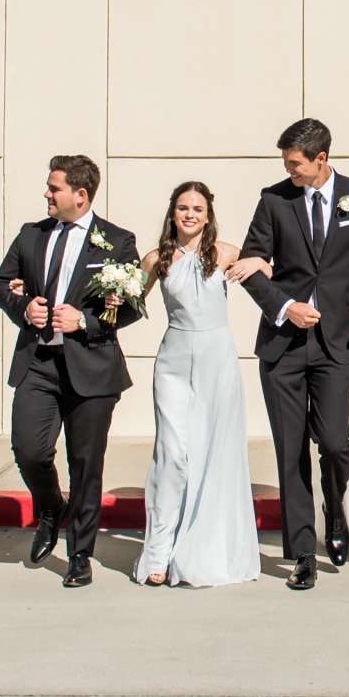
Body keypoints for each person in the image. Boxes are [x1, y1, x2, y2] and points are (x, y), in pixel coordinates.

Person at [227, 119, 349, 592]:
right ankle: (302, 553)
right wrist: (284, 306)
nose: (289, 171)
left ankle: (333, 512)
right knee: (290, 449)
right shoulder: (274, 199)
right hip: (282, 346)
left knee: (336, 444)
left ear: (321, 159)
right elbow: (251, 266)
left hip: (336, 344)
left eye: (295, 164)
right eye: (286, 164)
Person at [0, 154, 141, 587]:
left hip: (92, 367)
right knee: (29, 448)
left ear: (80, 194)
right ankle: (51, 506)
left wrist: (88, 322)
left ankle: (80, 554)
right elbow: (1, 284)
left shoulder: (117, 241)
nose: (47, 194)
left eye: (53, 188)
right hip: (39, 362)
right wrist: (24, 307)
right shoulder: (31, 235)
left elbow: (130, 306)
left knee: (86, 463)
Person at [133, 182, 263, 588]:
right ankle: (157, 551)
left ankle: (203, 547)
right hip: (173, 358)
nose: (190, 214)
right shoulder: (157, 258)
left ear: (208, 215)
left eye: (197, 208)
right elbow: (128, 300)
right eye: (183, 207)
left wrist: (259, 266)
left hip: (216, 358)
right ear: (172, 213)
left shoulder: (225, 253)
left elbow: (268, 280)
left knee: (213, 451)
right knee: (171, 453)